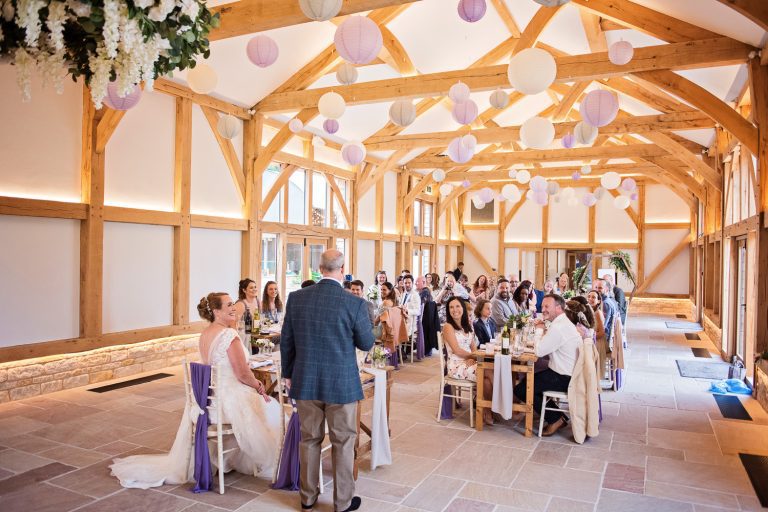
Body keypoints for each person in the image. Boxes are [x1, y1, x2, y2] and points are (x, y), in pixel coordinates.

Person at [111, 292, 281, 489]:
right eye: (228, 305)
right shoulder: (229, 335)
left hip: (206, 399)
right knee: (271, 407)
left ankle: (231, 457)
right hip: (225, 400)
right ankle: (259, 459)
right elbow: (242, 374)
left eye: (233, 304)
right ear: (217, 311)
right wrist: (259, 386)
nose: (234, 308)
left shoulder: (207, 333)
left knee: (263, 407)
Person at [281, 250, 374, 512]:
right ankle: (342, 502)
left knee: (309, 439)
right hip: (341, 384)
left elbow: (287, 340)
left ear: (319, 269)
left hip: (306, 380)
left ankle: (307, 497)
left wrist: (288, 374)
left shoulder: (296, 298)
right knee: (343, 442)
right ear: (342, 269)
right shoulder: (353, 303)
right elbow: (366, 342)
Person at [513, 294, 582, 437]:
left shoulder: (558, 328)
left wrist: (539, 330)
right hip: (570, 372)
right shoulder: (562, 323)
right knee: (529, 380)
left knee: (522, 389)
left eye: (547, 307)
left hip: (564, 377)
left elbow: (539, 351)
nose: (542, 309)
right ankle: (558, 416)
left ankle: (555, 419)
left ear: (558, 308)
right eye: (542, 306)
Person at [442, 296, 494, 425]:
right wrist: (472, 357)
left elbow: (474, 349)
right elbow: (457, 350)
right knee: (487, 371)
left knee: (487, 377)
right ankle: (492, 407)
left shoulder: (468, 326)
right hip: (455, 365)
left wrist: (473, 359)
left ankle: (487, 409)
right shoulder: (448, 327)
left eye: (457, 306)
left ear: (463, 308)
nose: (454, 310)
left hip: (469, 361)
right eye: (451, 307)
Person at [587, 289, 608, 378]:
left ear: (598, 301)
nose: (590, 299)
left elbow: (602, 332)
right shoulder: (589, 311)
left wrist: (591, 338)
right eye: (589, 297)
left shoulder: (597, 313)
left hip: (598, 341)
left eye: (593, 297)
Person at [594, 278, 618, 346]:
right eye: (596, 287)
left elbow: (603, 327)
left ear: (606, 289)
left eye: (600, 288)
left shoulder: (605, 303)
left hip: (606, 339)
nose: (597, 290)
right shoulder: (610, 300)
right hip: (609, 335)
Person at [399, 274, 422, 339]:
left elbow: (418, 311)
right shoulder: (404, 294)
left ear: (412, 283)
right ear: (403, 284)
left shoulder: (415, 295)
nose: (407, 285)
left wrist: (407, 310)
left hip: (410, 321)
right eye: (405, 283)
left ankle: (397, 346)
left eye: (409, 283)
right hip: (403, 319)